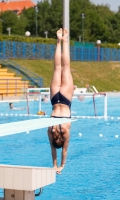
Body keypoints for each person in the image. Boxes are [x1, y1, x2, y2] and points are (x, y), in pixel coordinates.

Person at [47, 28, 74, 174]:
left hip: (65, 100)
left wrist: (62, 165)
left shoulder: (65, 131)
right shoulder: (51, 131)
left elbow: (64, 151)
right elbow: (53, 151)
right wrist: (54, 165)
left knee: (65, 67)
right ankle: (58, 41)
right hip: (54, 100)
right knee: (57, 67)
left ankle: (65, 41)